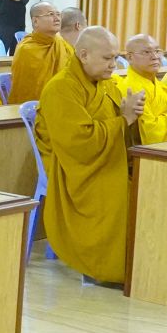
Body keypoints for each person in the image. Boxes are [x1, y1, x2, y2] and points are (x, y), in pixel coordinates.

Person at [35, 27, 143, 286]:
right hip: (76, 169)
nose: (113, 64)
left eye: (115, 57)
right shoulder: (61, 88)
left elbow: (121, 128)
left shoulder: (107, 85)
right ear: (83, 55)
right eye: (107, 58)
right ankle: (111, 268)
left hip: (105, 158)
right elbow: (79, 143)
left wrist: (131, 117)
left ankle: (144, 262)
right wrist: (124, 120)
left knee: (150, 183)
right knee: (123, 192)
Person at [109, 34, 167, 143]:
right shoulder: (131, 90)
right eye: (146, 52)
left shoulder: (162, 87)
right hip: (161, 150)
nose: (155, 56)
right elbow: (150, 133)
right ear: (130, 57)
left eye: (157, 51)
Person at [7, 2, 70, 105]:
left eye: (58, 14)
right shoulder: (26, 49)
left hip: (63, 101)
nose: (57, 18)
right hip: (35, 107)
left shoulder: (61, 43)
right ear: (35, 21)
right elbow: (28, 89)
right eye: (51, 14)